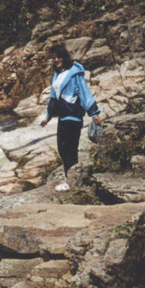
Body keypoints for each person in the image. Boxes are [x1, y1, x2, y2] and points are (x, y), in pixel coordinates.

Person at [41, 43, 101, 191]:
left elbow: (84, 92)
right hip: (62, 118)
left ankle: (71, 182)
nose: (56, 60)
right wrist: (47, 116)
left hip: (74, 117)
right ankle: (71, 178)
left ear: (64, 57)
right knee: (62, 149)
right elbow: (53, 98)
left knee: (70, 149)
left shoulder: (75, 73)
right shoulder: (57, 74)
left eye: (59, 57)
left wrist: (94, 113)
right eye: (54, 58)